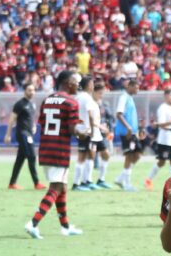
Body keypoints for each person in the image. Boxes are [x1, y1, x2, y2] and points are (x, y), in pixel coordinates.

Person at [25, 70, 83, 239]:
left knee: (62, 187)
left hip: (46, 148)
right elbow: (73, 130)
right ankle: (33, 223)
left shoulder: (47, 100)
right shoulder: (71, 102)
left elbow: (42, 124)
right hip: (60, 150)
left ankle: (65, 226)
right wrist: (85, 133)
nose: (77, 85)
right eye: (74, 81)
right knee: (56, 188)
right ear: (66, 82)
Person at [5, 83, 44, 190]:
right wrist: (8, 134)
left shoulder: (31, 104)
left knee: (20, 159)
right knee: (31, 156)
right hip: (23, 133)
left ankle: (12, 183)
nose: (31, 92)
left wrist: (34, 125)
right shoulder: (20, 104)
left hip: (28, 133)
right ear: (24, 91)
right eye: (29, 90)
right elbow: (12, 119)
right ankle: (36, 183)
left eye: (33, 90)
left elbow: (31, 117)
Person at [114, 79, 144, 191]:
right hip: (126, 132)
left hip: (133, 133)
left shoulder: (130, 98)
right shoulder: (124, 97)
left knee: (138, 154)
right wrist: (128, 128)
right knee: (129, 156)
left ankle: (120, 178)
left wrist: (138, 129)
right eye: (136, 87)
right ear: (130, 86)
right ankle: (127, 184)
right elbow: (119, 114)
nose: (138, 90)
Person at [145, 89, 171, 189]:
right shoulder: (162, 108)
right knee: (162, 161)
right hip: (165, 139)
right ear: (166, 96)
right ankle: (148, 179)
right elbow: (161, 124)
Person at [73, 75, 100, 191]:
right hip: (87, 131)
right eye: (92, 83)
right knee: (83, 157)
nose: (93, 85)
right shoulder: (87, 98)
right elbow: (90, 115)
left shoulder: (78, 97)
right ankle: (76, 183)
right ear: (88, 85)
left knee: (87, 156)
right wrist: (93, 131)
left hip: (79, 130)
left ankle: (85, 182)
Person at [92, 79, 113, 188]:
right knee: (88, 157)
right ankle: (87, 181)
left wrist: (108, 129)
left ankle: (101, 179)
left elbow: (108, 118)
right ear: (94, 92)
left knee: (106, 155)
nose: (101, 95)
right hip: (92, 134)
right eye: (100, 93)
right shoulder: (91, 103)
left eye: (102, 93)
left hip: (101, 134)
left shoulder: (103, 104)